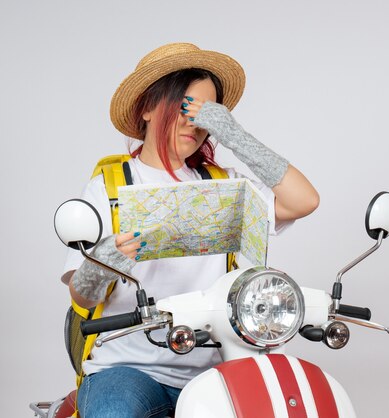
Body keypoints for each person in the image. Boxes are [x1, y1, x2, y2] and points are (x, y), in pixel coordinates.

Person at [61, 42, 319, 418]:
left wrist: (235, 135)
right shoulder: (110, 187)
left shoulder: (226, 185)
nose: (195, 121)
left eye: (208, 113)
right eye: (184, 106)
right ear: (148, 108)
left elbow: (303, 200)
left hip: (213, 371)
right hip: (127, 369)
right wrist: (104, 258)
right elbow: (82, 299)